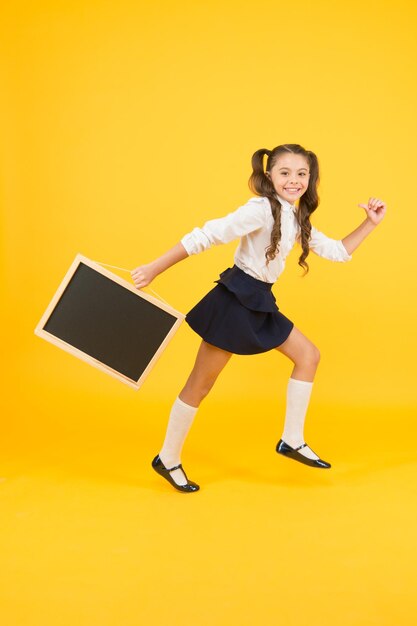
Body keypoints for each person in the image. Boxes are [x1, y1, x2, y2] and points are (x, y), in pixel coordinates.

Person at [131, 143, 386, 493]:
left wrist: (369, 224)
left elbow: (338, 251)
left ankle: (291, 440)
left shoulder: (294, 216)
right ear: (270, 176)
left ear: (310, 179)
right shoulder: (261, 209)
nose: (294, 180)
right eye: (285, 172)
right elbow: (207, 235)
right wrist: (155, 268)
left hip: (259, 300)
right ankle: (168, 457)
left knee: (308, 356)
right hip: (236, 301)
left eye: (302, 174)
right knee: (200, 385)